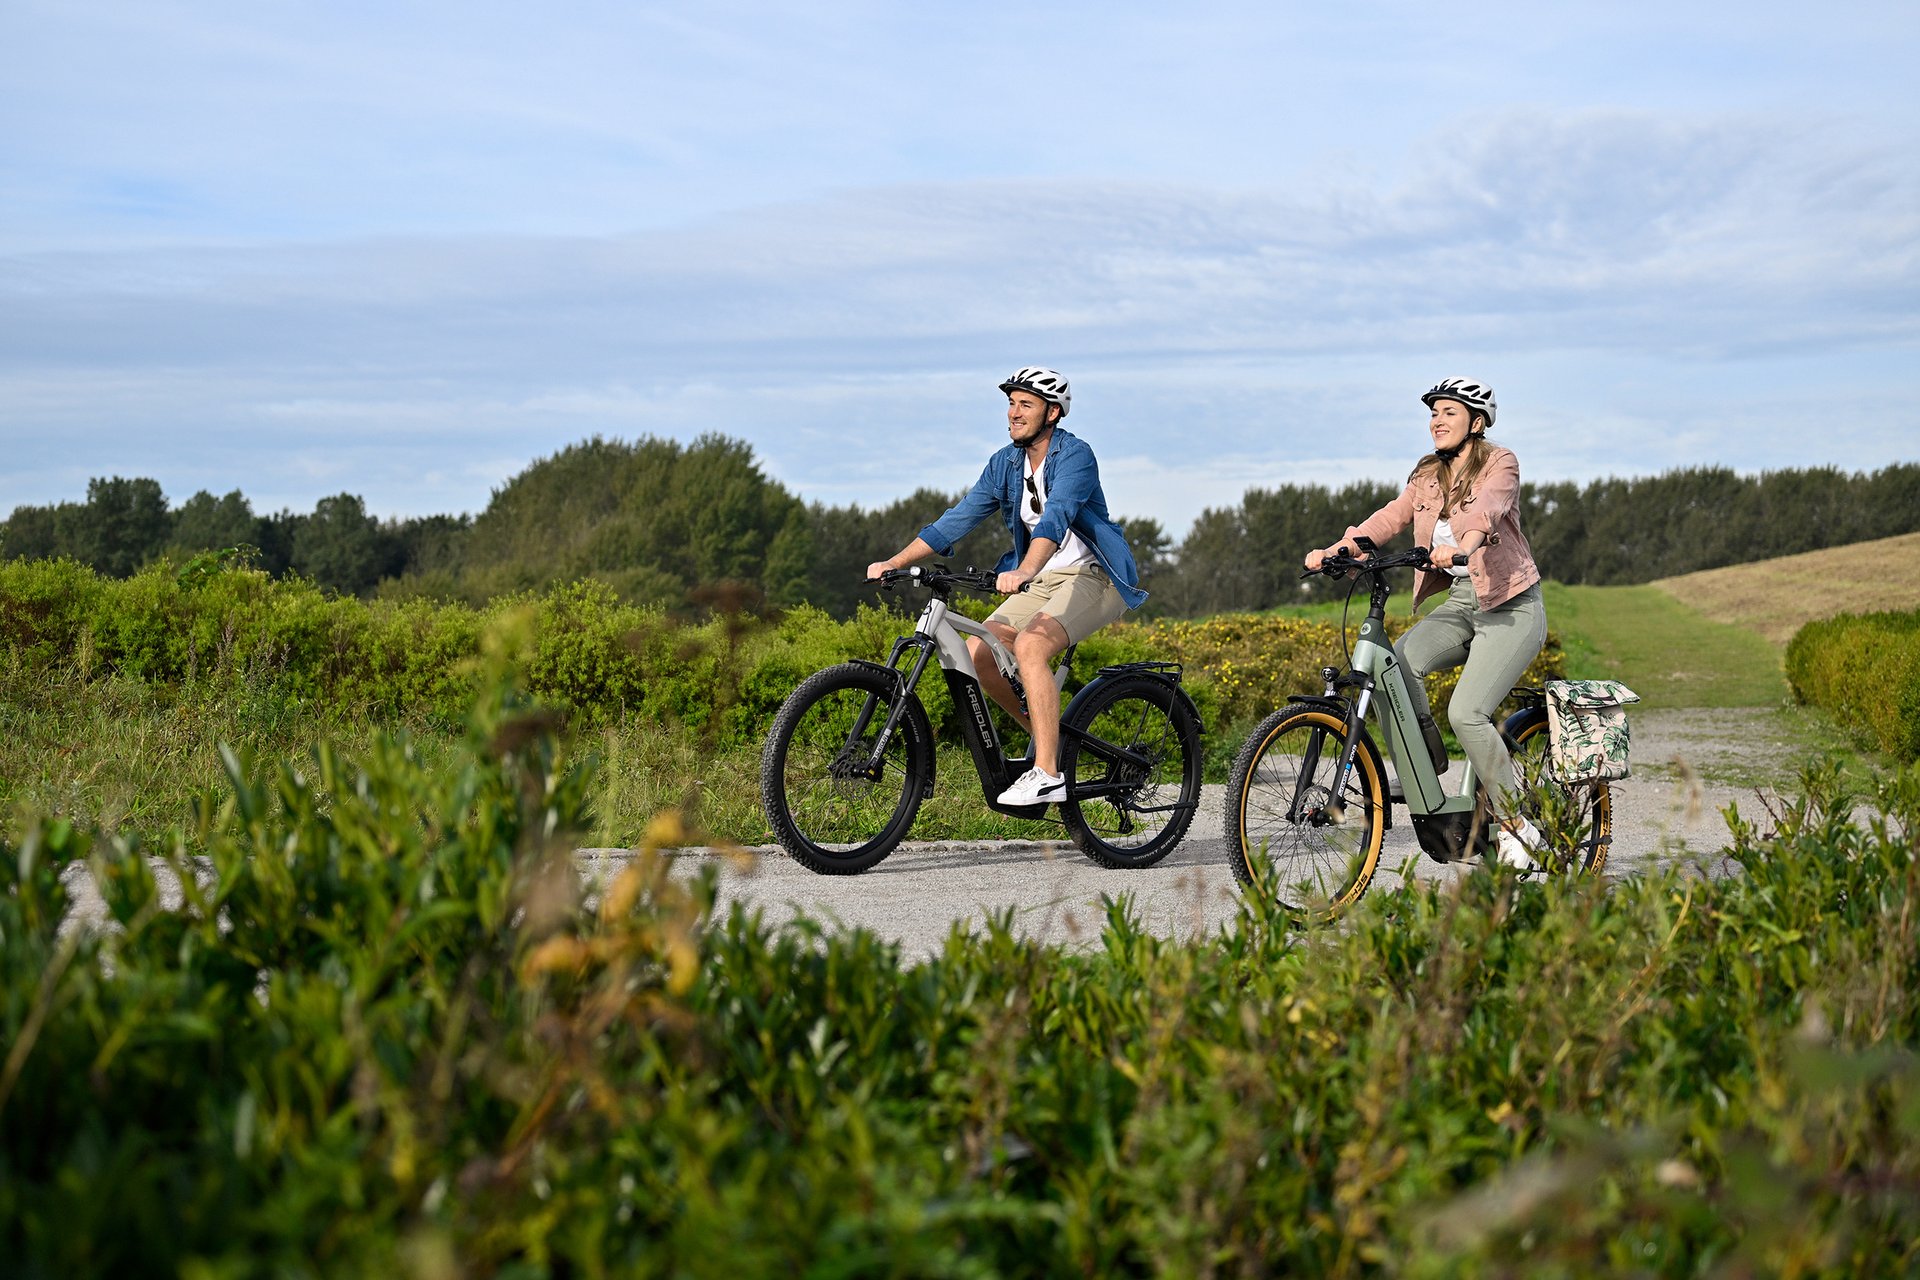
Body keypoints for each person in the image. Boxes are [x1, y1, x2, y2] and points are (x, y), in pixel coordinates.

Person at [867, 366, 1146, 806]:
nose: (1014, 413)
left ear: (1052, 413)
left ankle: (1048, 772)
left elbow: (1056, 517)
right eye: (1011, 404)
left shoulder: (1076, 456)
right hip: (1042, 577)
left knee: (1031, 647)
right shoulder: (1005, 463)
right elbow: (959, 517)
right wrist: (894, 562)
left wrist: (1025, 570)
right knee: (980, 655)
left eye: (1026, 405)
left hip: (1093, 575)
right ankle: (1048, 743)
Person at [1303, 377, 1548, 868]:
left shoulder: (1500, 463)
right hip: (1461, 602)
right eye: (1433, 412)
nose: (1437, 419)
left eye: (1449, 412)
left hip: (1511, 606)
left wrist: (1463, 546)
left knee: (1467, 712)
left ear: (1476, 423)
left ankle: (1517, 825)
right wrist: (1340, 550)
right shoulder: (1427, 475)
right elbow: (1388, 519)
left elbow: (1487, 511)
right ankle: (1425, 762)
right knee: (1396, 666)